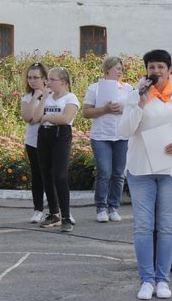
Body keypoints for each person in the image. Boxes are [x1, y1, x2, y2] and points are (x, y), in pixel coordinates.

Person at [119, 49, 172, 300]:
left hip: (171, 169)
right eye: (151, 67)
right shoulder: (136, 95)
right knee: (143, 226)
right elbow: (125, 131)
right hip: (141, 169)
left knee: (167, 226)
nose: (155, 71)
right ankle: (146, 279)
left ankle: (163, 279)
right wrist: (140, 104)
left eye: (160, 67)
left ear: (169, 69)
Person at [82, 56, 133, 223]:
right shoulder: (95, 88)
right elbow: (86, 112)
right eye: (117, 68)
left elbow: (135, 110)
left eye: (121, 69)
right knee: (104, 172)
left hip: (121, 136)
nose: (120, 71)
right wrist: (105, 109)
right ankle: (101, 207)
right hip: (101, 136)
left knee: (119, 174)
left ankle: (113, 207)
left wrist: (123, 109)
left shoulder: (127, 88)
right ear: (107, 69)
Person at [32, 67, 80, 233]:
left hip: (60, 135)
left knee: (60, 175)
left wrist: (46, 117)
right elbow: (35, 118)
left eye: (52, 79)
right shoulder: (47, 98)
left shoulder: (70, 98)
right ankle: (54, 213)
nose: (48, 82)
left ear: (63, 82)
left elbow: (65, 118)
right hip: (44, 135)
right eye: (48, 79)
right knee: (46, 174)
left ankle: (66, 216)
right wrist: (44, 98)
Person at [21, 62, 48, 223]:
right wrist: (35, 97)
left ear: (44, 78)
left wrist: (37, 117)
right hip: (33, 142)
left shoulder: (53, 95)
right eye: (29, 78)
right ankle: (38, 209)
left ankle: (57, 209)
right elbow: (28, 118)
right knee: (37, 176)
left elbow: (40, 118)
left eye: (35, 77)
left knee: (53, 175)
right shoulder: (27, 98)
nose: (32, 81)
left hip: (51, 141)